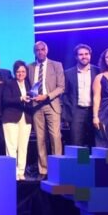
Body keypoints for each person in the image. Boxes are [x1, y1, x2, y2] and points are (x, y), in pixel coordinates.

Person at [28, 41, 65, 180]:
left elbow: (61, 87)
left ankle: (57, 169)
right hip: (36, 106)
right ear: (34, 52)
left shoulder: (56, 65)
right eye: (37, 50)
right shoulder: (29, 67)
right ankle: (43, 169)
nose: (40, 52)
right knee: (40, 138)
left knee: (55, 137)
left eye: (42, 49)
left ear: (47, 50)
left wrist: (47, 96)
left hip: (51, 104)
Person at [63, 44, 100, 147]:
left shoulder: (98, 71)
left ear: (90, 55)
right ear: (76, 57)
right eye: (81, 54)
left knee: (95, 141)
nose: (84, 56)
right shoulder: (68, 73)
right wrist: (67, 113)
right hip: (76, 111)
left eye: (86, 54)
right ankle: (81, 158)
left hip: (94, 111)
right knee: (76, 142)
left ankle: (93, 158)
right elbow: (64, 94)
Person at [2, 61, 33, 181]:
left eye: (23, 71)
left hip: (26, 117)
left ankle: (21, 172)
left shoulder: (29, 84)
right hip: (11, 117)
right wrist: (20, 98)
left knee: (23, 146)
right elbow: (5, 100)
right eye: (18, 71)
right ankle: (12, 172)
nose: (21, 74)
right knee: (11, 146)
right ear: (15, 72)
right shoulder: (9, 83)